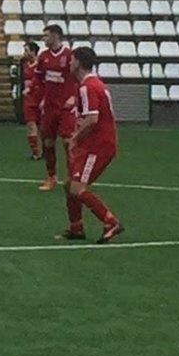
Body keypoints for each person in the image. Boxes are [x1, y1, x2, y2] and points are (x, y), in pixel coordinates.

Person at [60, 47, 124, 243]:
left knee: (77, 188)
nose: (69, 64)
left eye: (71, 60)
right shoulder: (94, 84)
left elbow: (92, 118)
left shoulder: (87, 87)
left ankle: (110, 221)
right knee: (69, 185)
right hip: (94, 144)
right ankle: (76, 228)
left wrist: (75, 137)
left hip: (98, 146)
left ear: (78, 62)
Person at [33, 24, 78, 191]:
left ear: (56, 36)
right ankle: (51, 177)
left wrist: (74, 96)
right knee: (48, 142)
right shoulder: (43, 56)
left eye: (46, 36)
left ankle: (73, 178)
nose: (43, 39)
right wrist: (41, 97)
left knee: (68, 142)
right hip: (50, 107)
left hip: (65, 107)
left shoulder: (69, 55)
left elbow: (79, 78)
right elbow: (38, 78)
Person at [18, 40, 43, 161]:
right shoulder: (25, 63)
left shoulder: (41, 64)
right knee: (31, 125)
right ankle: (36, 153)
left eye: (27, 50)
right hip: (29, 99)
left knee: (43, 127)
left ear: (33, 52)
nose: (24, 53)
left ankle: (45, 151)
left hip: (41, 98)